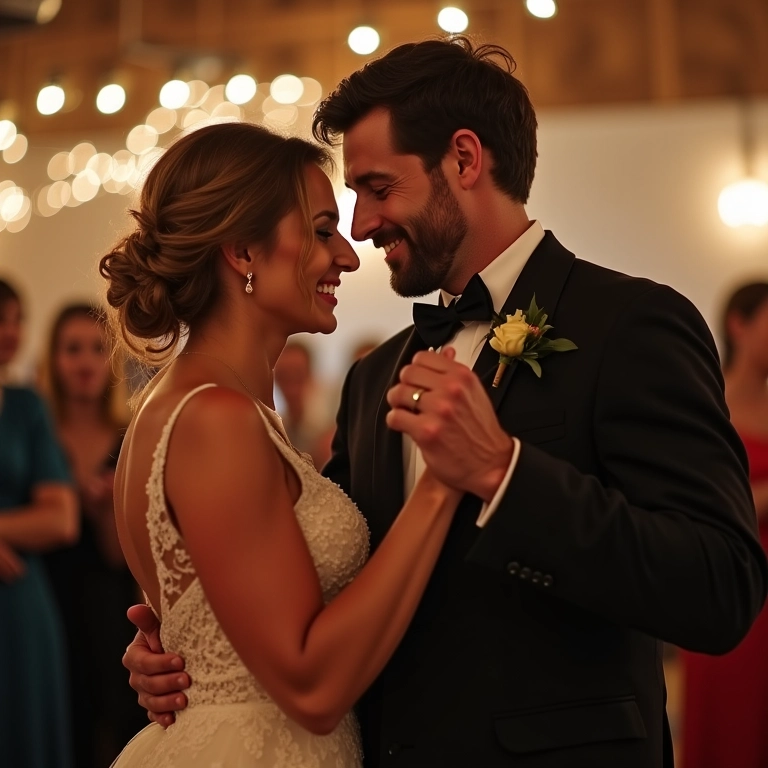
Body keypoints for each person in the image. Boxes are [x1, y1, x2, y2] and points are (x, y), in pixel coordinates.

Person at [123, 38, 767, 767]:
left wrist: (505, 475)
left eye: (376, 188)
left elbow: (720, 587)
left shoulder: (630, 326)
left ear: (464, 160)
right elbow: (321, 570)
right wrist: (195, 638)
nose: (361, 229)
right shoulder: (377, 378)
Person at [100, 122, 463, 767]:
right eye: (323, 231)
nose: (348, 257)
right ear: (242, 252)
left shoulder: (222, 406)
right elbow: (312, 685)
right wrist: (441, 484)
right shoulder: (214, 417)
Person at [39, 303, 145, 767]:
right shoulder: (36, 436)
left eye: (97, 349)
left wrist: (107, 509)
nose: (85, 362)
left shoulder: (130, 438)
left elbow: (123, 559)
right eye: (72, 350)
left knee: (112, 724)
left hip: (108, 605)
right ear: (53, 359)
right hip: (44, 597)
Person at [681, 282, 768, 768]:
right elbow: (695, 506)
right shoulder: (707, 403)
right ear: (738, 324)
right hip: (733, 584)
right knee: (733, 728)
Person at [0, 278, 78, 768]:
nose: (11, 331)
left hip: (16, 600)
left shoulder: (26, 407)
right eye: (0, 318)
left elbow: (60, 519)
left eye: (18, 318)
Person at [273, 340, 336, 467]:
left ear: (310, 375)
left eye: (297, 375)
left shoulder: (331, 426)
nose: (291, 387)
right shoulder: (278, 427)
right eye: (283, 376)